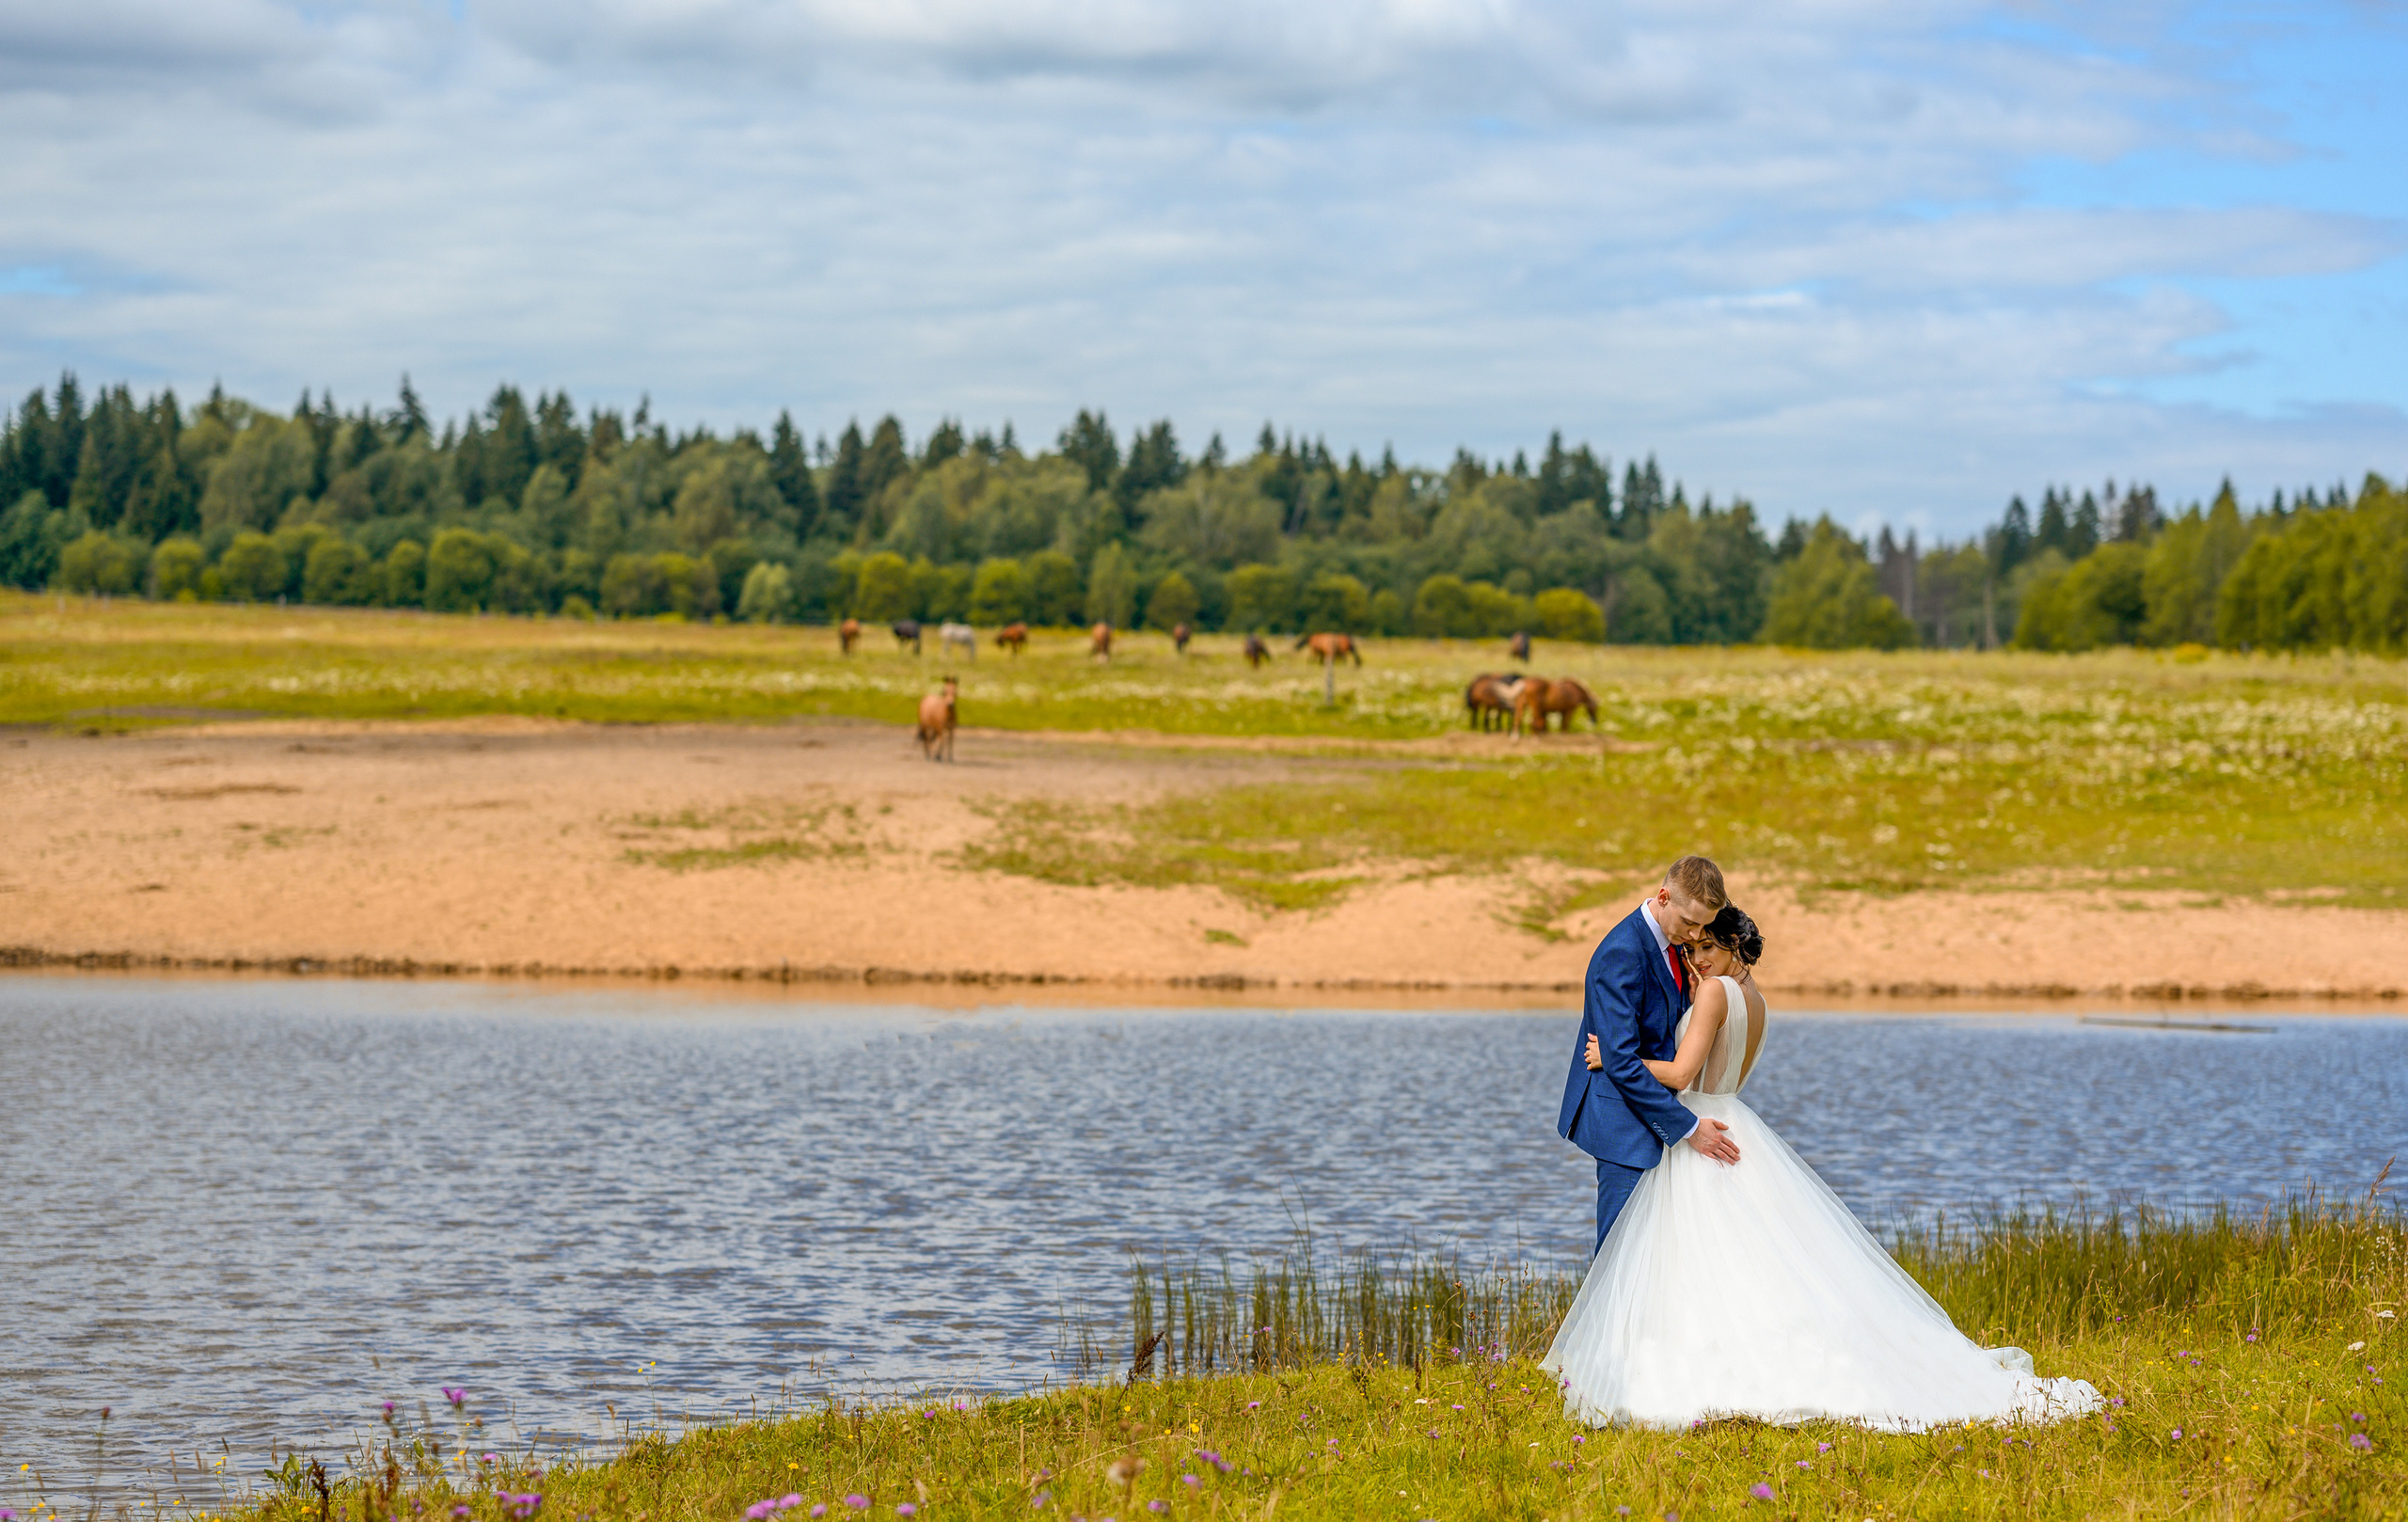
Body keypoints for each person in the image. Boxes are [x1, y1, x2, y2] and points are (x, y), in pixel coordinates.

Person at [1544, 905, 2101, 1430]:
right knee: (1747, 1257)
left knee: (1700, 1253)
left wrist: (1620, 1060)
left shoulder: (1713, 992)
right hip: (1735, 1115)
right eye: (1694, 949)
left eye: (1709, 947)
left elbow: (1686, 1072)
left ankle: (1672, 1361)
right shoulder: (1754, 999)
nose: (1698, 958)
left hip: (1703, 1126)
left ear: (1734, 946)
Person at [1557, 855, 1741, 1256]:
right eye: (1690, 923)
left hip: (1658, 1118)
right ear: (1663, 896)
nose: (1695, 935)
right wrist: (1690, 1129)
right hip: (1624, 1125)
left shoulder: (1674, 944)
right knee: (1619, 1259)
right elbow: (1620, 1061)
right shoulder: (1621, 952)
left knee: (1654, 1262)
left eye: (1703, 927)